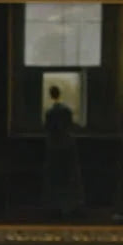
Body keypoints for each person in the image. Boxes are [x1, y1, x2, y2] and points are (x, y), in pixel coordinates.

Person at [41, 84, 84, 218]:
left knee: (56, 177)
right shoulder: (66, 110)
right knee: (68, 176)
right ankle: (69, 207)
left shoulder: (50, 113)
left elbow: (47, 128)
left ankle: (55, 206)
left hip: (54, 146)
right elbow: (70, 126)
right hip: (66, 144)